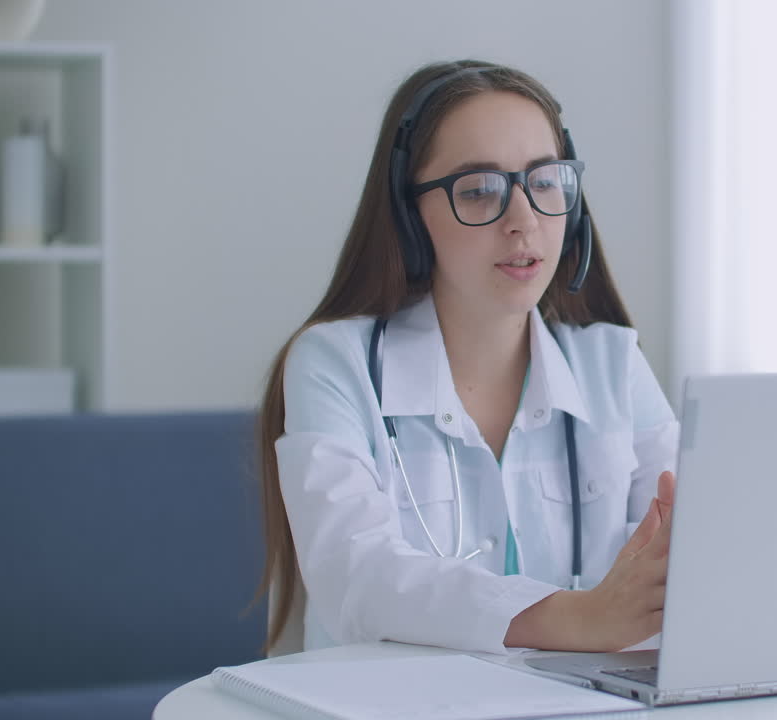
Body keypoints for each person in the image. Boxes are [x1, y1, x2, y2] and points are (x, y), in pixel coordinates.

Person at [256, 60, 679, 656]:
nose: (524, 220)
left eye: (545, 181)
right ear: (408, 217)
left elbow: (686, 552)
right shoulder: (335, 362)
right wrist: (575, 619)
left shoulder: (613, 364)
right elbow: (358, 577)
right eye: (479, 190)